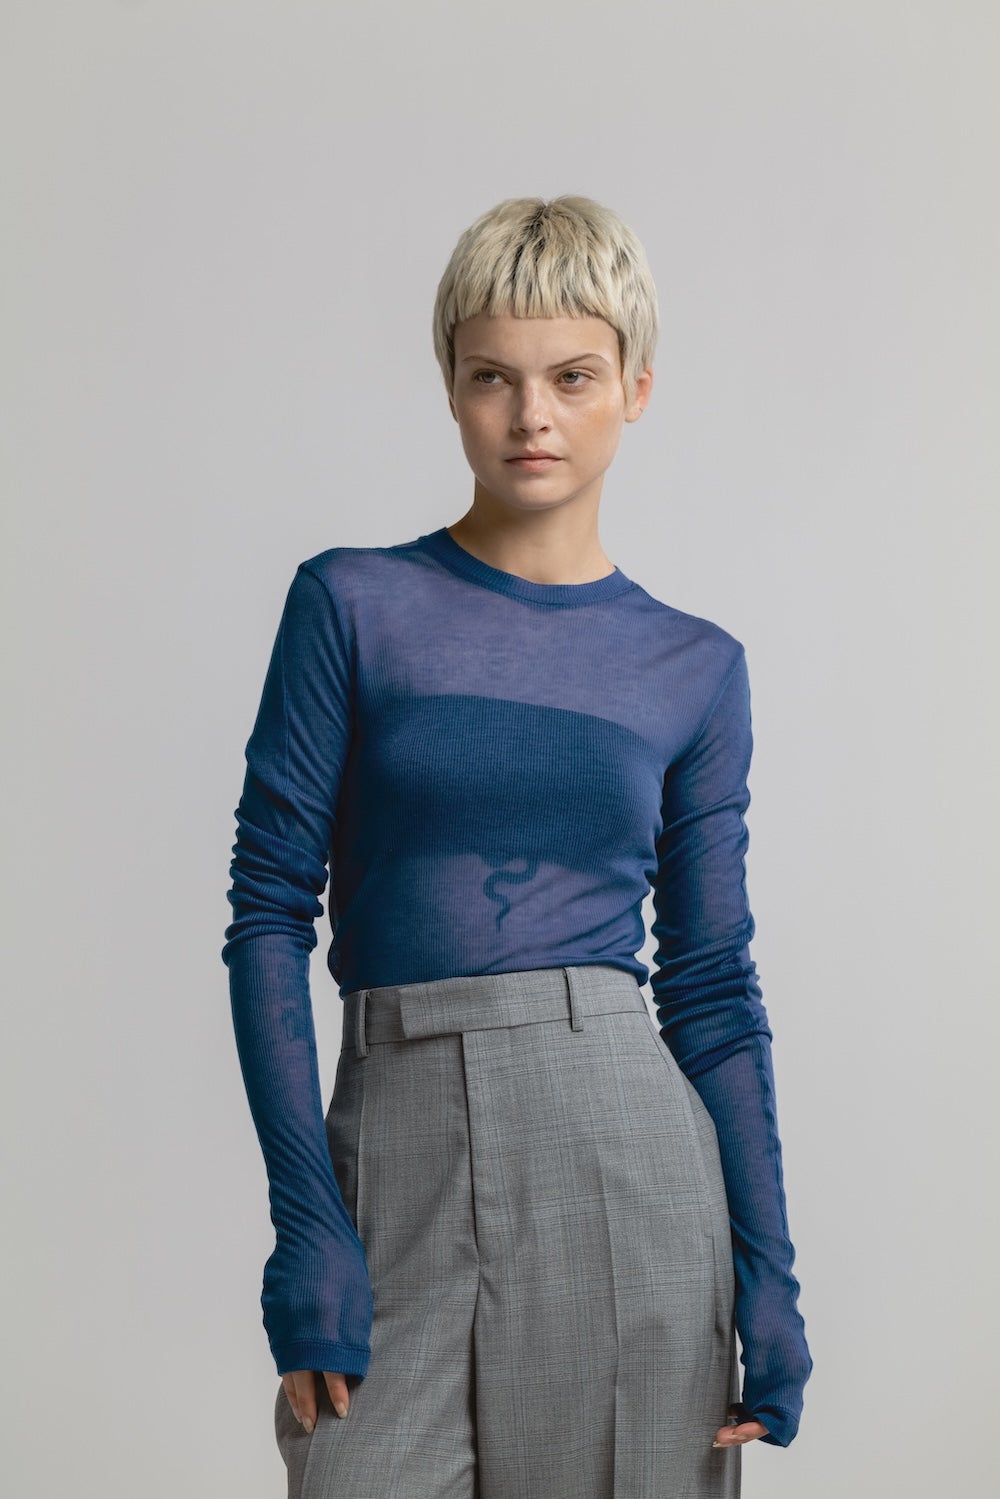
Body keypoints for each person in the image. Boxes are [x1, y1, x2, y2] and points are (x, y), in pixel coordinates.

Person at [222, 194, 812, 1499]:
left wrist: (770, 1275)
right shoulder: (352, 604)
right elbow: (267, 913)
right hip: (398, 1153)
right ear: (451, 387)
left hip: (625, 1159)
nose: (530, 415)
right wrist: (306, 1222)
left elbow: (711, 985)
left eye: (572, 376)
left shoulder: (694, 666)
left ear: (636, 388)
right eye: (493, 376)